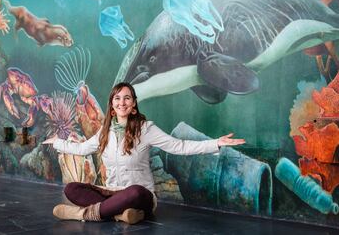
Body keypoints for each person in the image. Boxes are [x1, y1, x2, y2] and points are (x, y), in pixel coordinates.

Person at [42, 82, 245, 224]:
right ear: (112, 106)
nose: (122, 102)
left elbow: (179, 146)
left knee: (135, 192)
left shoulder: (146, 129)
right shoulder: (104, 132)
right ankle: (120, 215)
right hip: (112, 191)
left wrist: (215, 143)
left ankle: (83, 214)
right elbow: (81, 149)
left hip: (140, 196)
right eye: (118, 98)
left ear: (133, 105)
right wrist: (57, 142)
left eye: (127, 98)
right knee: (71, 189)